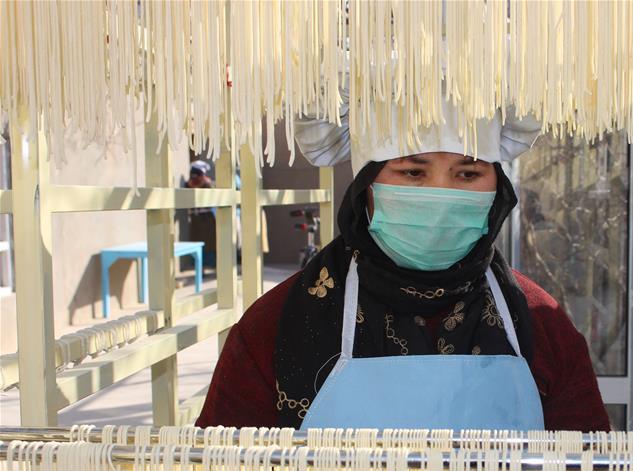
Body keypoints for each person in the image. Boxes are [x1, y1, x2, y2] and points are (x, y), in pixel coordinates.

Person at [196, 100, 610, 432]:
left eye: (468, 173)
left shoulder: (541, 327)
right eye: (413, 171)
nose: (440, 195)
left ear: (497, 187)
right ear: (366, 185)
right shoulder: (273, 328)